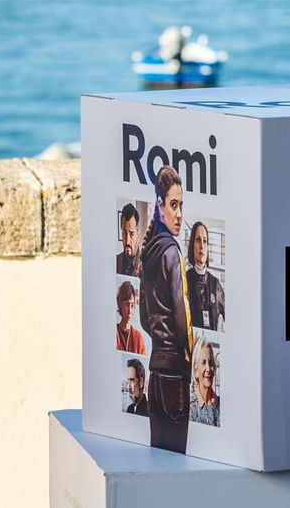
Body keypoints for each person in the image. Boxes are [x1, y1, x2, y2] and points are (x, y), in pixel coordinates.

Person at [139, 165, 192, 453]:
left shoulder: (149, 252)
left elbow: (143, 320)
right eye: (174, 204)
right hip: (174, 373)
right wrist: (188, 357)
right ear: (160, 205)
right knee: (176, 463)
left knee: (156, 460)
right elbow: (182, 317)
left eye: (182, 205)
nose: (179, 214)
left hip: (155, 373)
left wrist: (160, 341)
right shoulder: (171, 252)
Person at [185, 221, 226, 330]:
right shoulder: (184, 280)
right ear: (192, 244)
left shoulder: (216, 285)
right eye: (198, 240)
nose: (202, 246)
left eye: (205, 241)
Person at [189, 338, 220, 427]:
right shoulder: (189, 407)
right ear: (196, 369)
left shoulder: (222, 406)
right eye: (203, 363)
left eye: (210, 363)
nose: (208, 369)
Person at [115, 279, 146, 355]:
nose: (129, 311)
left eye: (132, 305)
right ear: (120, 304)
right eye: (126, 304)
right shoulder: (114, 331)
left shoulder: (138, 337)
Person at [116, 204, 141, 278]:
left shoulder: (146, 265)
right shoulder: (116, 260)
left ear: (138, 234)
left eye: (131, 234)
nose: (127, 241)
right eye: (124, 233)